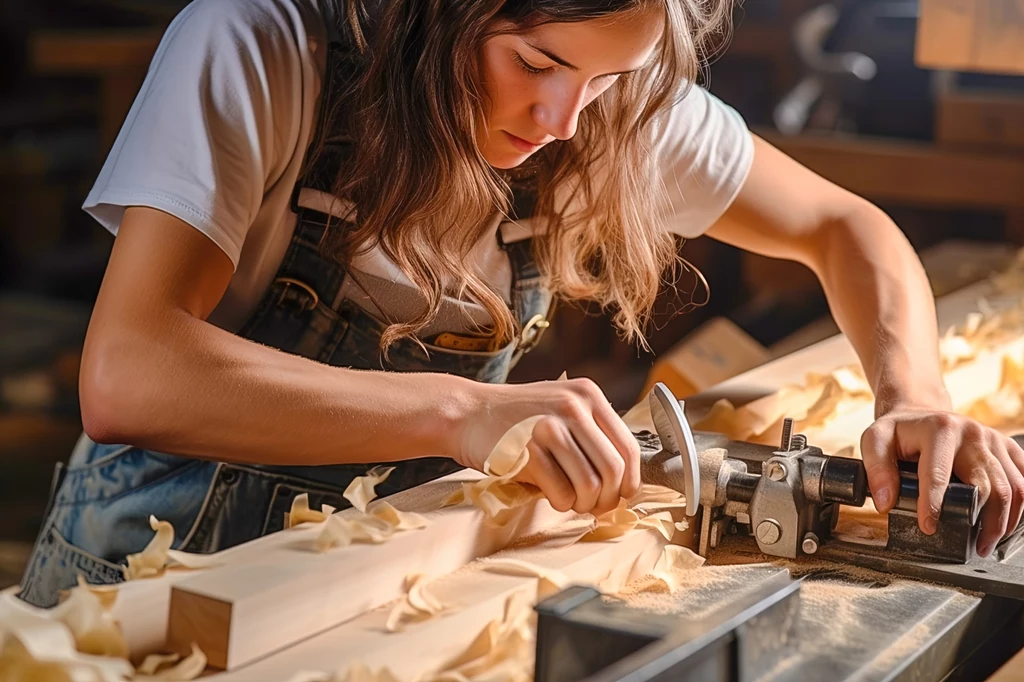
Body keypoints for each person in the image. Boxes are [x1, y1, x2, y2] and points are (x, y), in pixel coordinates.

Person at [19, 0, 1024, 608]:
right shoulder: (265, 40)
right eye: (533, 63)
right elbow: (129, 368)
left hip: (375, 598)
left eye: (602, 77)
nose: (559, 120)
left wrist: (910, 390)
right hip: (152, 594)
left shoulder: (606, 103)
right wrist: (464, 414)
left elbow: (845, 228)